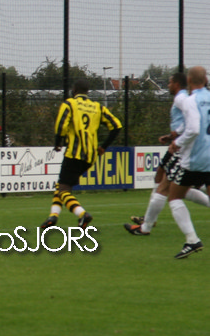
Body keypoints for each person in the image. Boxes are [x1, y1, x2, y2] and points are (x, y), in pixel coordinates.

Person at [124, 72, 210, 236]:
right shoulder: (186, 98)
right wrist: (172, 136)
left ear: (177, 84)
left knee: (165, 186)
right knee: (172, 186)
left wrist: (177, 138)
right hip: (183, 146)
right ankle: (147, 223)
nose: (168, 85)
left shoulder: (182, 98)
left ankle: (147, 226)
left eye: (170, 83)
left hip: (183, 149)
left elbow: (193, 122)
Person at [41, 78, 122, 230]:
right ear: (87, 91)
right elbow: (117, 126)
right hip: (90, 155)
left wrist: (58, 143)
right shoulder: (97, 107)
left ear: (74, 90)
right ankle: (53, 216)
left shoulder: (70, 104)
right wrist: (104, 146)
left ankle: (82, 214)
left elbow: (61, 125)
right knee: (62, 184)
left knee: (63, 189)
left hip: (74, 153)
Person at [164, 66, 210, 258]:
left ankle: (192, 240)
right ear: (206, 80)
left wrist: (177, 142)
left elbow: (193, 129)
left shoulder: (191, 100)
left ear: (189, 80)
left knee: (174, 196)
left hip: (196, 158)